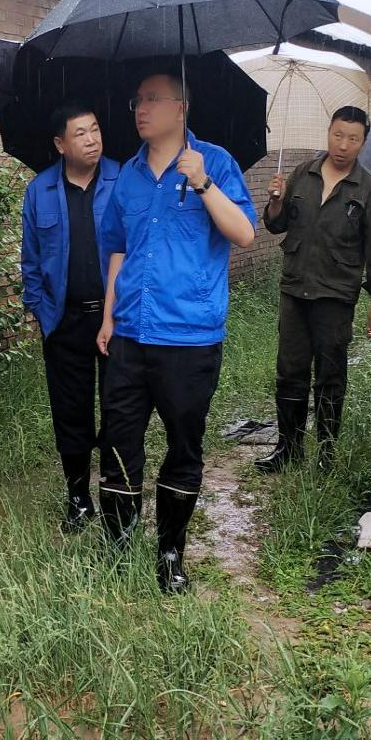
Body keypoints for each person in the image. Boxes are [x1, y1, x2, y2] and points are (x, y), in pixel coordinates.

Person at [96, 72, 256, 594]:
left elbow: (245, 234)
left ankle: (170, 555)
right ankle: (117, 549)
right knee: (118, 441)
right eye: (136, 100)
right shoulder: (128, 176)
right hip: (130, 334)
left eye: (152, 99)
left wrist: (204, 184)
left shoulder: (216, 163)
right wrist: (108, 316)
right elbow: (118, 248)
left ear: (181, 107)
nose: (140, 108)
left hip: (189, 337)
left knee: (184, 444)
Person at [256, 106, 371, 475]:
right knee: (290, 371)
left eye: (353, 139)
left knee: (330, 376)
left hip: (335, 294)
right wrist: (276, 201)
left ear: (362, 143)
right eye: (338, 135)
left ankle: (326, 454)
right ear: (328, 132)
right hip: (295, 289)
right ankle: (288, 448)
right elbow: (276, 225)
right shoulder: (303, 173)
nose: (343, 145)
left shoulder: (369, 189)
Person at [20, 103, 121, 531]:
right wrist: (44, 313)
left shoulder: (122, 179)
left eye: (95, 129)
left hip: (116, 319)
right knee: (70, 411)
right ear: (61, 144)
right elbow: (30, 260)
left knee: (119, 408)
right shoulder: (40, 190)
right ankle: (78, 498)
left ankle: (116, 494)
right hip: (65, 321)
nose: (92, 140)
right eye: (81, 133)